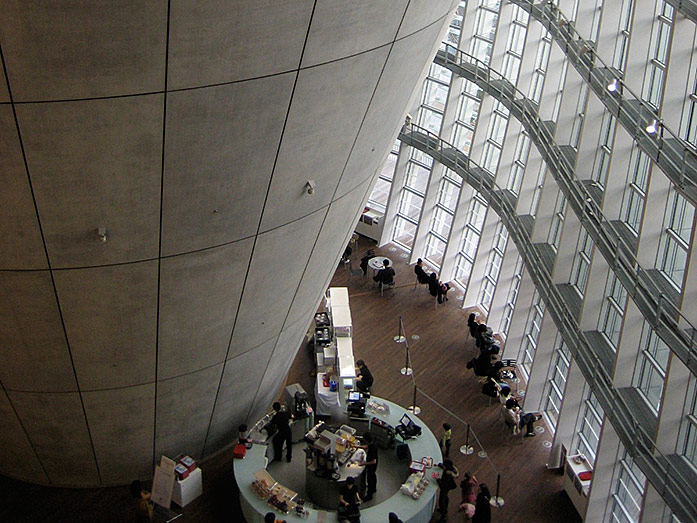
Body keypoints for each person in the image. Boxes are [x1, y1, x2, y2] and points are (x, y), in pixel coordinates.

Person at [361, 432, 378, 501]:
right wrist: (357, 446)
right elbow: (367, 447)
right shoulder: (373, 443)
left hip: (371, 466)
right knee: (373, 476)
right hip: (374, 466)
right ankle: (374, 488)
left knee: (370, 479)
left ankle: (369, 495)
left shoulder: (373, 449)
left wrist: (364, 464)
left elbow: (374, 461)